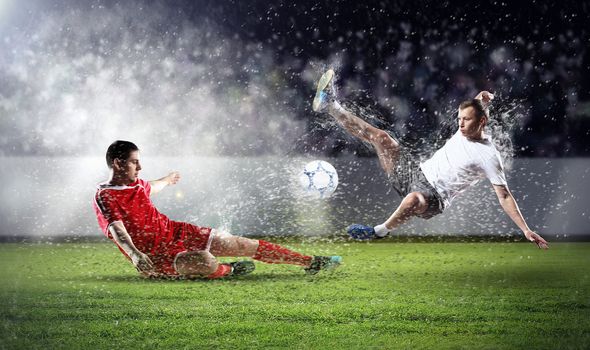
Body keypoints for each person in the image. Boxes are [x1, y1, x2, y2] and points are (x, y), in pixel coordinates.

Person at [312, 69, 549, 249]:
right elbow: (477, 104)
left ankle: (378, 231)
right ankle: (331, 105)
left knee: (415, 198)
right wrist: (483, 98)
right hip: (416, 174)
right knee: (382, 137)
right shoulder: (467, 124)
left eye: (466, 120)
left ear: (482, 122)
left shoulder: (488, 155)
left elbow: (504, 196)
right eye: (459, 118)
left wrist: (525, 230)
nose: (460, 123)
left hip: (435, 199)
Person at [93, 140, 342, 279]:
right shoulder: (104, 196)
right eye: (135, 162)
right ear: (117, 163)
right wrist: (136, 255)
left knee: (238, 242)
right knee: (205, 261)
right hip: (155, 256)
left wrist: (167, 180)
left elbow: (151, 187)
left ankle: (310, 262)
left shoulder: (136, 184)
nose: (140, 166)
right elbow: (118, 230)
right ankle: (229, 270)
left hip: (176, 232)